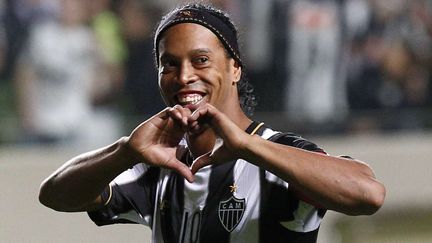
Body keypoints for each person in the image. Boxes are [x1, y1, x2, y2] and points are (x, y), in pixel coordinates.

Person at [39, 3, 385, 243]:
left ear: (235, 68)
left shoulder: (276, 156)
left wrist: (248, 147)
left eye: (200, 60)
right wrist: (125, 150)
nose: (184, 76)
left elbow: (368, 194)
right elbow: (55, 196)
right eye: (169, 65)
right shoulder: (161, 165)